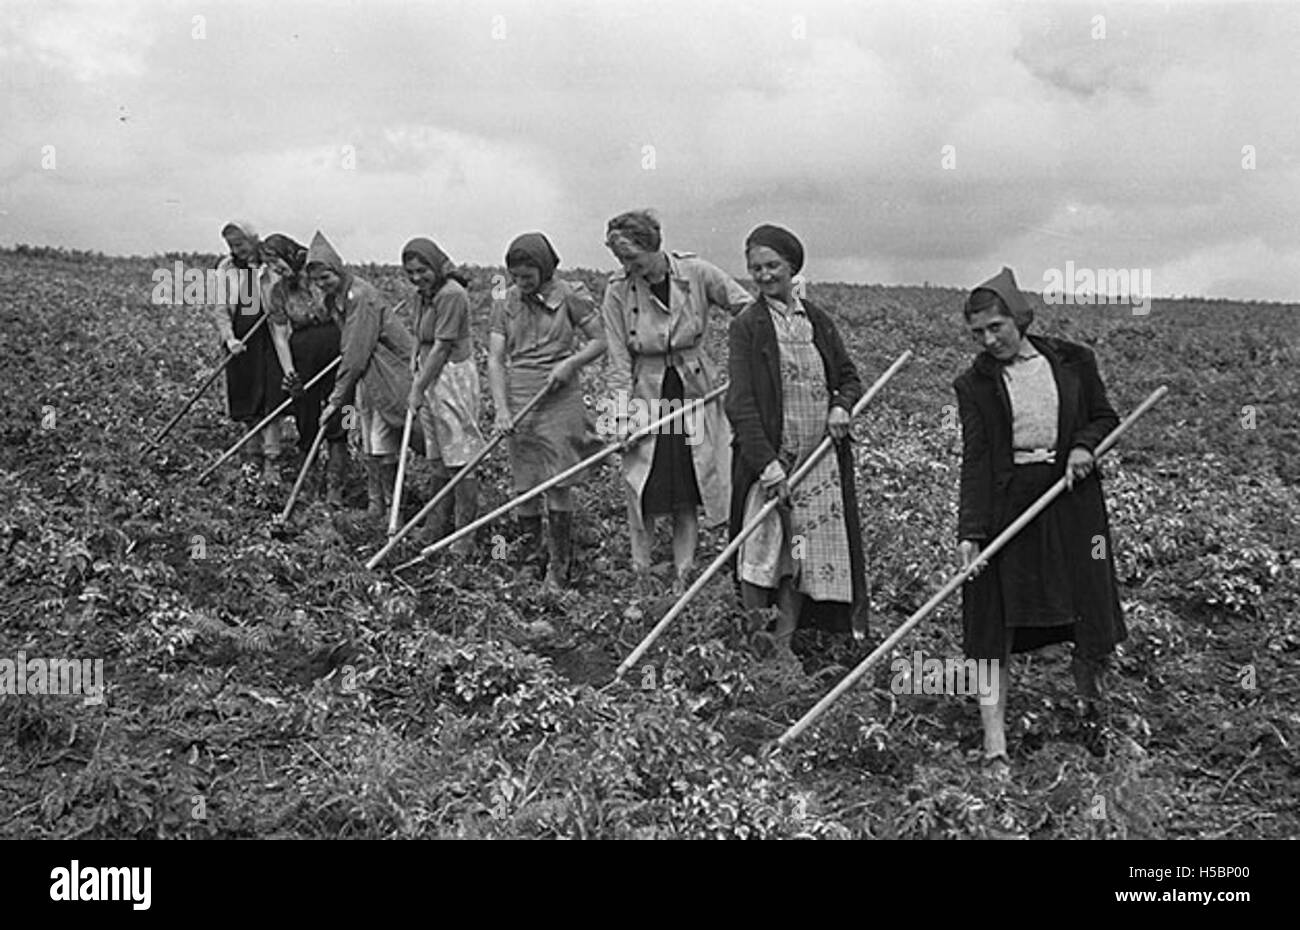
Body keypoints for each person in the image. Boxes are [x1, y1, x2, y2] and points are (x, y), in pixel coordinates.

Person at [954, 266, 1126, 773]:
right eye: (978, 333)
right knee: (990, 623)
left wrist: (1081, 447)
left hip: (1072, 503)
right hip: (1010, 505)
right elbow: (977, 459)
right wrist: (970, 533)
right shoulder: (974, 384)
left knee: (1088, 611)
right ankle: (995, 746)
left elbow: (1103, 417)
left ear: (1019, 318)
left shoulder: (1074, 361)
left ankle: (1093, 716)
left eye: (996, 328)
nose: (989, 341)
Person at [725, 224, 870, 655]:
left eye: (773, 265)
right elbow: (741, 402)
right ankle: (758, 644)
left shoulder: (817, 321)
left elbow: (848, 376)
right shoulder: (747, 326)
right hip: (772, 459)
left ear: (792, 267)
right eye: (756, 268)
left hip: (818, 459)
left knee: (798, 557)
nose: (765, 275)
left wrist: (842, 406)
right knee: (761, 553)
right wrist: (766, 464)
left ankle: (784, 645)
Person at [600, 209, 751, 593]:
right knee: (642, 487)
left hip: (693, 389)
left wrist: (742, 361)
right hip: (645, 393)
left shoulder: (696, 272)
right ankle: (642, 575)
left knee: (688, 485)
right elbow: (617, 360)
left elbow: (746, 308)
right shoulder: (617, 289)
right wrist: (620, 419)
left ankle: (683, 578)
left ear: (654, 248)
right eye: (621, 260)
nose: (627, 266)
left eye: (632, 258)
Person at [487, 232, 606, 589]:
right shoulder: (504, 301)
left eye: (528, 276)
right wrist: (502, 410)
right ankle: (528, 559)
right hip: (521, 392)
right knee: (525, 482)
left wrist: (571, 363)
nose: (521, 283)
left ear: (545, 269)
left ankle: (559, 566)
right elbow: (495, 359)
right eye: (515, 276)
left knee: (557, 481)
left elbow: (600, 341)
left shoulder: (570, 295)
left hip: (560, 393)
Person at [307, 231, 422, 516]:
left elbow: (355, 354)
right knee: (371, 436)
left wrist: (335, 401)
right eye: (317, 281)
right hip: (369, 376)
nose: (322, 285)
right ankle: (376, 504)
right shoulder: (337, 299)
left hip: (391, 372)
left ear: (338, 269)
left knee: (391, 433)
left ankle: (396, 507)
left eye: (326, 278)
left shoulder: (361, 296)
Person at [401, 237, 485, 553]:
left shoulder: (452, 295)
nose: (416, 277)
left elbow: (442, 346)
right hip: (428, 374)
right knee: (437, 457)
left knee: (460, 458)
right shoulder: (423, 296)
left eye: (422, 270)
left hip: (452, 377)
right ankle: (436, 525)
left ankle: (465, 536)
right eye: (410, 272)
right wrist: (414, 365)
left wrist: (417, 388)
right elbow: (419, 338)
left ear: (436, 265)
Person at [262, 233, 348, 505]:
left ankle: (337, 484)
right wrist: (289, 371)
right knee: (306, 416)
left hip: (337, 353)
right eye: (271, 265)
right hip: (303, 358)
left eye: (277, 262)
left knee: (344, 414)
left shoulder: (320, 278)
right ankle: (308, 482)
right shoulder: (279, 292)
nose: (276, 270)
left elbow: (345, 314)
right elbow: (279, 333)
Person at [210, 220, 285, 482]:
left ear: (253, 239)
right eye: (232, 245)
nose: (236, 249)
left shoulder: (270, 263)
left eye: (240, 244)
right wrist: (229, 339)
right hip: (241, 344)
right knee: (246, 399)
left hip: (271, 341)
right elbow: (220, 308)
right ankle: (252, 457)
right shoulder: (226, 268)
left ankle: (272, 460)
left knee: (270, 400)